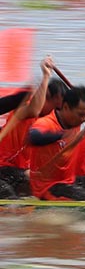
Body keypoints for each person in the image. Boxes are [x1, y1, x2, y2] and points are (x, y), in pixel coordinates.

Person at [0, 57, 65, 198]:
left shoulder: (48, 122)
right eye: (56, 107)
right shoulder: (26, 108)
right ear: (47, 97)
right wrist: (46, 75)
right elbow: (35, 109)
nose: (56, 113)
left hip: (18, 170)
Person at [27, 85, 85, 200]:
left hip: (68, 181)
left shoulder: (75, 119)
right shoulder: (46, 123)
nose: (83, 119)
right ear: (65, 107)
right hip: (47, 187)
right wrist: (60, 135)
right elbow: (33, 137)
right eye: (80, 115)